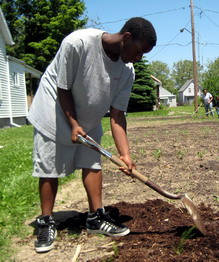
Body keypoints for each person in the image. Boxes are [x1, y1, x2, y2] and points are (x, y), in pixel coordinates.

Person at [27, 17, 157, 253]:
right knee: (49, 167)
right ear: (126, 38)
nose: (138, 58)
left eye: (143, 55)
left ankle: (96, 217)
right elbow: (62, 87)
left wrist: (125, 155)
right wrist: (73, 124)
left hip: (89, 117)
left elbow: (117, 115)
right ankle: (46, 221)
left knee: (93, 163)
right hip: (54, 111)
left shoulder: (127, 71)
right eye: (138, 51)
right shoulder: (78, 43)